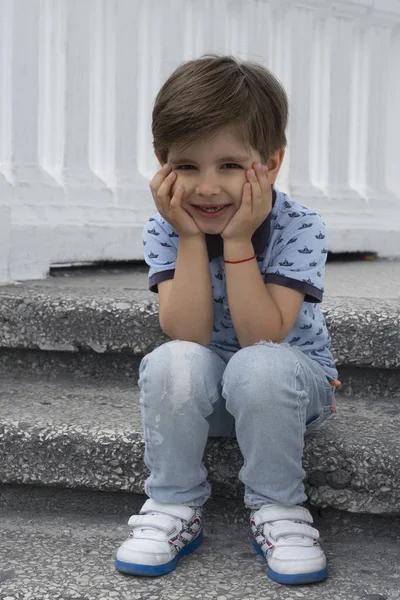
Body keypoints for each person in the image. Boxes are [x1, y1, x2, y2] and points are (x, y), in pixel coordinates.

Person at [115, 55, 339, 585]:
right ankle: (173, 505)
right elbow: (188, 333)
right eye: (188, 167)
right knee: (172, 360)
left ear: (272, 163)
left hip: (289, 384)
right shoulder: (166, 227)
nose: (208, 188)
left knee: (258, 365)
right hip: (215, 391)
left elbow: (264, 334)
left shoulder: (299, 226)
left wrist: (237, 241)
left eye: (231, 166)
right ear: (162, 162)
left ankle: (279, 508)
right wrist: (192, 238)